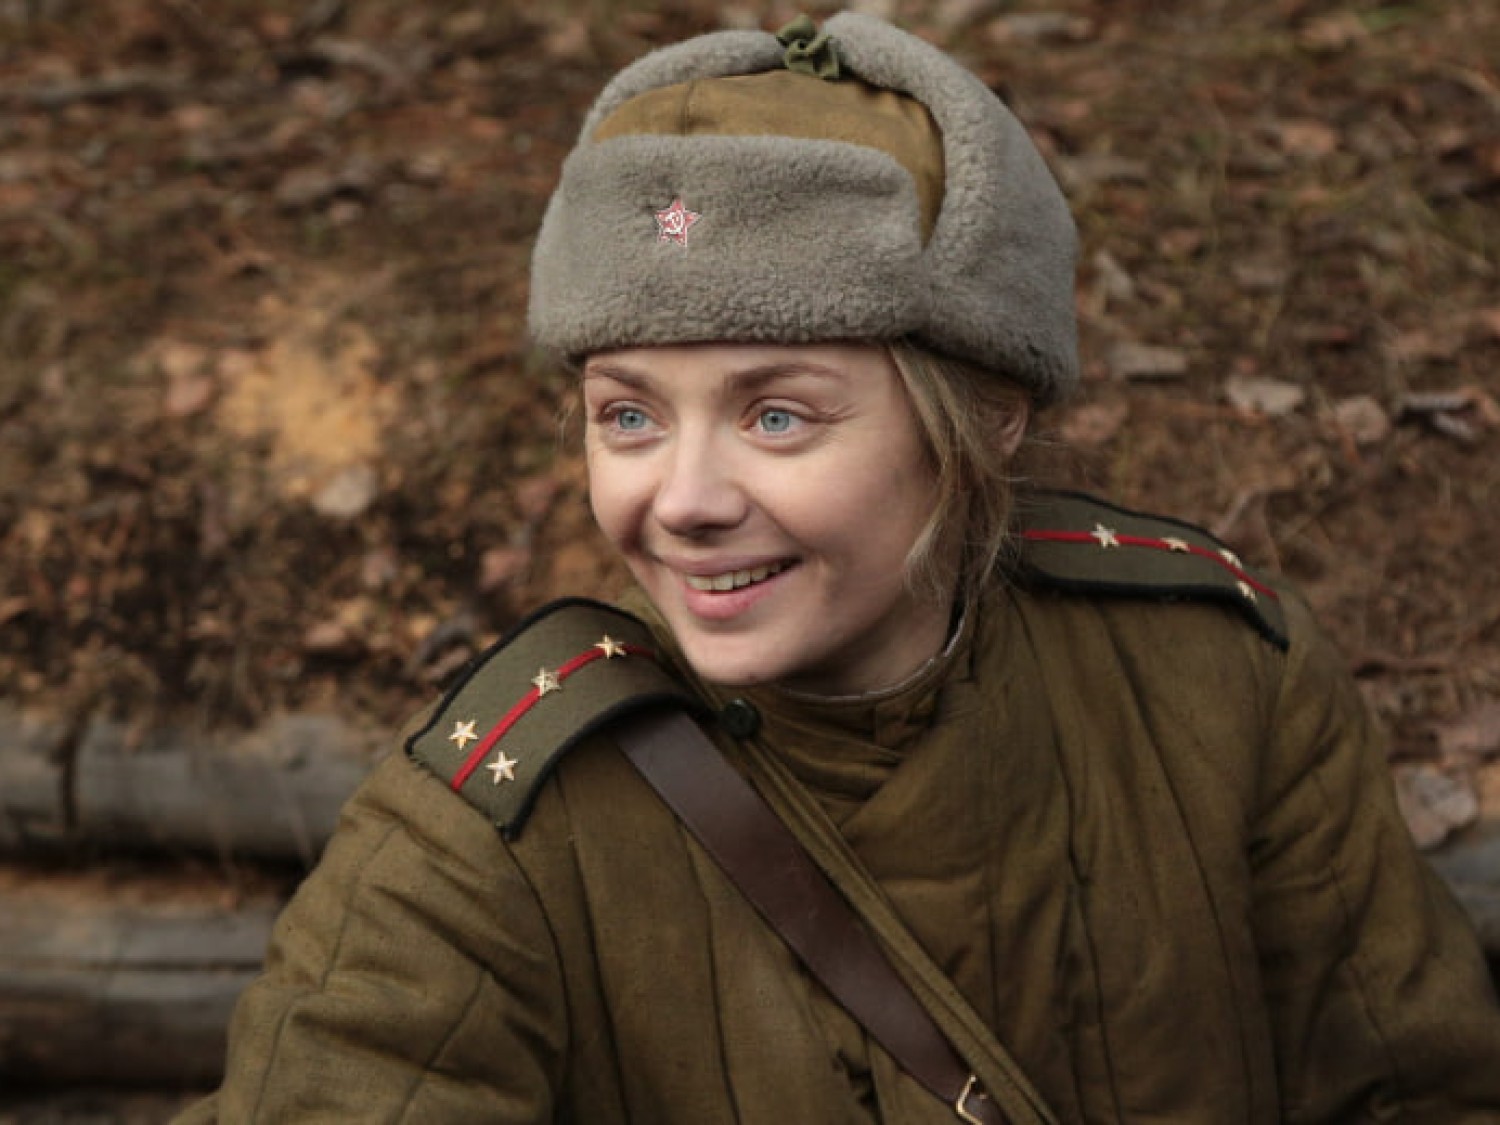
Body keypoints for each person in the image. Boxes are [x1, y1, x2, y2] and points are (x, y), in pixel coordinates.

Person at [179, 12, 1500, 1122]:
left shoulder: (1215, 679)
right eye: (628, 415)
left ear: (986, 417)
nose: (682, 501)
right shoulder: (493, 828)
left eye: (777, 415)